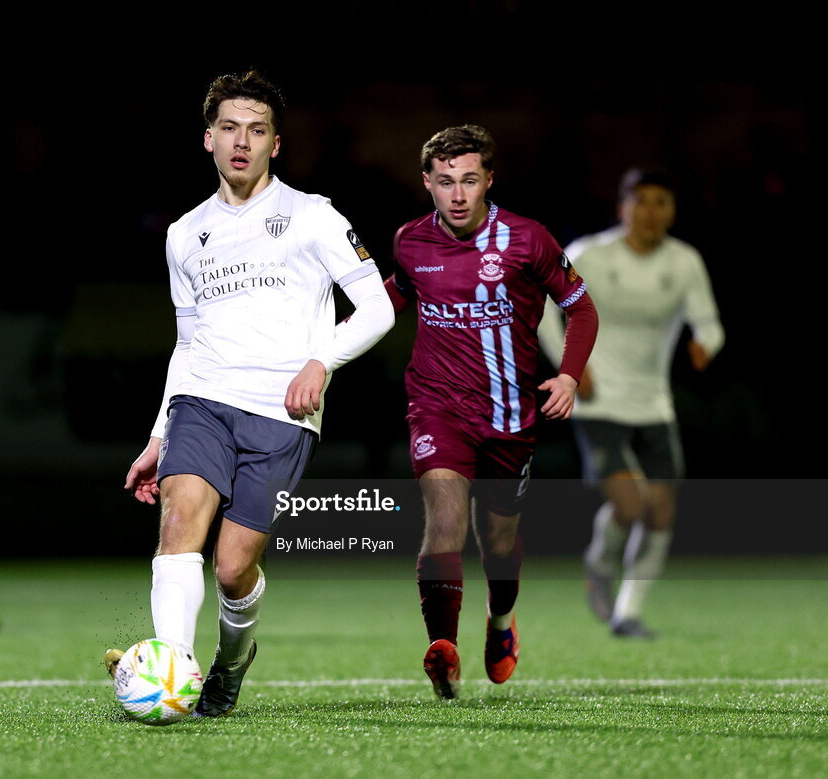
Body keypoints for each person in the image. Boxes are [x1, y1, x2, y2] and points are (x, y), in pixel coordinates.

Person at [106, 71, 394, 716]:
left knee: (234, 568)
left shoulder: (312, 216)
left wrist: (322, 361)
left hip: (282, 412)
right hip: (202, 400)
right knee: (179, 527)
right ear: (208, 139)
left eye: (256, 130)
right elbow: (188, 342)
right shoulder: (185, 234)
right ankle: (172, 671)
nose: (242, 141)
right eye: (230, 128)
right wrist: (159, 435)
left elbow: (377, 309)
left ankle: (232, 660)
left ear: (276, 144)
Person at [385, 125, 598, 699]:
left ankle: (500, 621)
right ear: (427, 182)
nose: (458, 194)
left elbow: (582, 311)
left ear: (489, 181)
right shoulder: (410, 241)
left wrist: (570, 375)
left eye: (469, 181)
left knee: (498, 543)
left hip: (510, 415)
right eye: (446, 182)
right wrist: (321, 346)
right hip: (436, 407)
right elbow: (390, 300)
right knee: (445, 522)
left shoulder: (529, 239)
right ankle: (444, 650)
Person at [539, 168, 724, 639]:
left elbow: (710, 322)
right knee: (629, 502)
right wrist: (572, 367)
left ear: (673, 210)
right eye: (641, 200)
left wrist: (706, 343)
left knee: (661, 512)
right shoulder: (590, 255)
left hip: (654, 403)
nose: (651, 211)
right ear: (622, 207)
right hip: (599, 401)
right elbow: (544, 310)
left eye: (662, 201)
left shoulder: (684, 262)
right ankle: (600, 565)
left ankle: (627, 612)